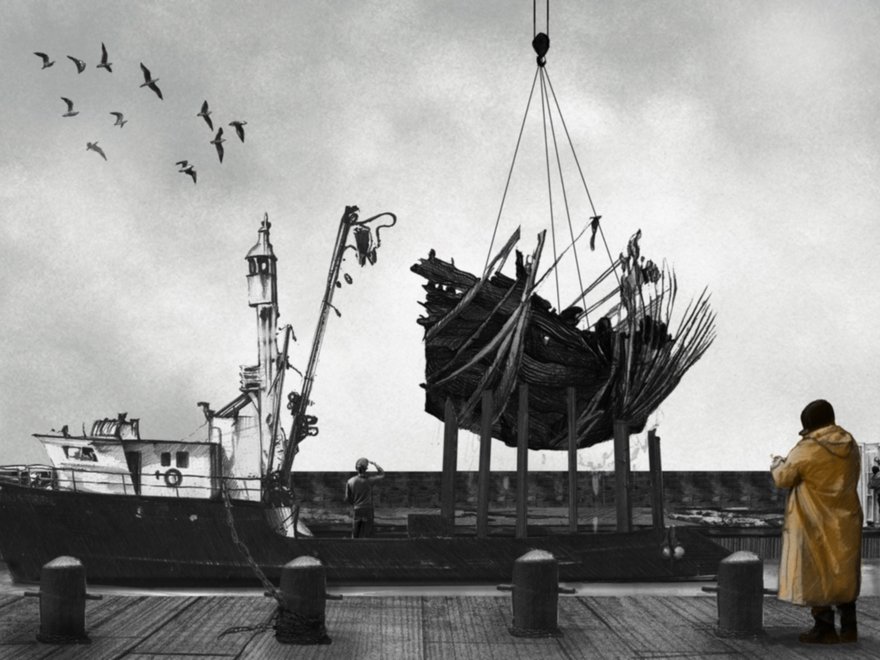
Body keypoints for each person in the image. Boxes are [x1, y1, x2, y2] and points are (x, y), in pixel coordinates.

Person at [770, 399, 862, 644]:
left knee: (816, 571)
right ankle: (849, 628)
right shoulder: (850, 443)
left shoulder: (807, 448)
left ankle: (824, 629)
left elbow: (784, 478)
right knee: (843, 571)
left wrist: (777, 463)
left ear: (809, 425)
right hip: (845, 518)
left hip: (814, 521)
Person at [344, 457, 384, 538]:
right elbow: (382, 474)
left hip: (357, 509)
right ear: (366, 469)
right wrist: (375, 464)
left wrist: (355, 504)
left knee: (355, 532)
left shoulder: (350, 481)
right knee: (367, 532)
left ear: (356, 468)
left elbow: (347, 498)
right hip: (368, 509)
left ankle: (353, 547)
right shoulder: (370, 480)